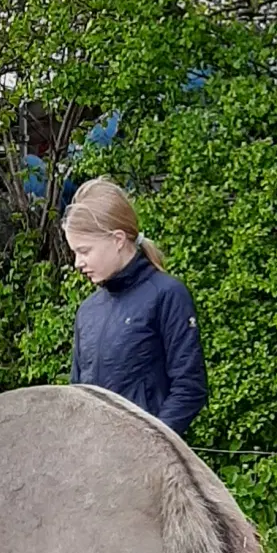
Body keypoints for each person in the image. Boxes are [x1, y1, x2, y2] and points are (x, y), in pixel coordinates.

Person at [63, 178, 206, 439]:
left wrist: (149, 447)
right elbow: (77, 393)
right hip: (95, 461)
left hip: (153, 466)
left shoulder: (167, 295)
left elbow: (189, 389)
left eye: (84, 251)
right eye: (75, 252)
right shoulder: (88, 311)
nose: (78, 263)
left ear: (118, 239)